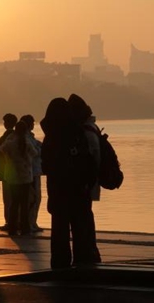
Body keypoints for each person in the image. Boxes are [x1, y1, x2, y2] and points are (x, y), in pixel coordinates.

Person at [41, 98, 99, 268]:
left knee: (59, 230)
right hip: (78, 191)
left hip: (57, 192)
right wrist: (87, 183)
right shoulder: (77, 134)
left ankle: (60, 263)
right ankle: (82, 261)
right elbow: (87, 162)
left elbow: (45, 166)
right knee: (80, 229)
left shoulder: (50, 138)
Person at [67, 94, 102, 262]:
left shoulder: (84, 132)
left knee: (82, 218)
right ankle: (90, 252)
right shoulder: (92, 128)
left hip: (83, 183)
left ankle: (86, 253)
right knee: (86, 216)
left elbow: (90, 159)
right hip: (88, 182)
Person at [1, 120, 38, 236]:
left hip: (13, 177)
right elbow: (35, 153)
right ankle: (25, 227)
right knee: (24, 203)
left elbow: (2, 149)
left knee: (14, 203)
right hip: (26, 176)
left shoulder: (11, 142)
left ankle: (12, 227)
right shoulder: (27, 142)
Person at [21, 114, 44, 233]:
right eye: (32, 122)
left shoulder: (30, 137)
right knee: (34, 199)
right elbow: (34, 152)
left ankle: (32, 222)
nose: (33, 124)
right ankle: (30, 223)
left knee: (34, 198)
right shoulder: (26, 138)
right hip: (32, 173)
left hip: (34, 171)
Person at [0, 113, 18, 232]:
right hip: (17, 173)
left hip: (7, 173)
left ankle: (9, 221)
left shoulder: (6, 137)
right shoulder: (17, 136)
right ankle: (15, 221)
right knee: (15, 198)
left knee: (8, 199)